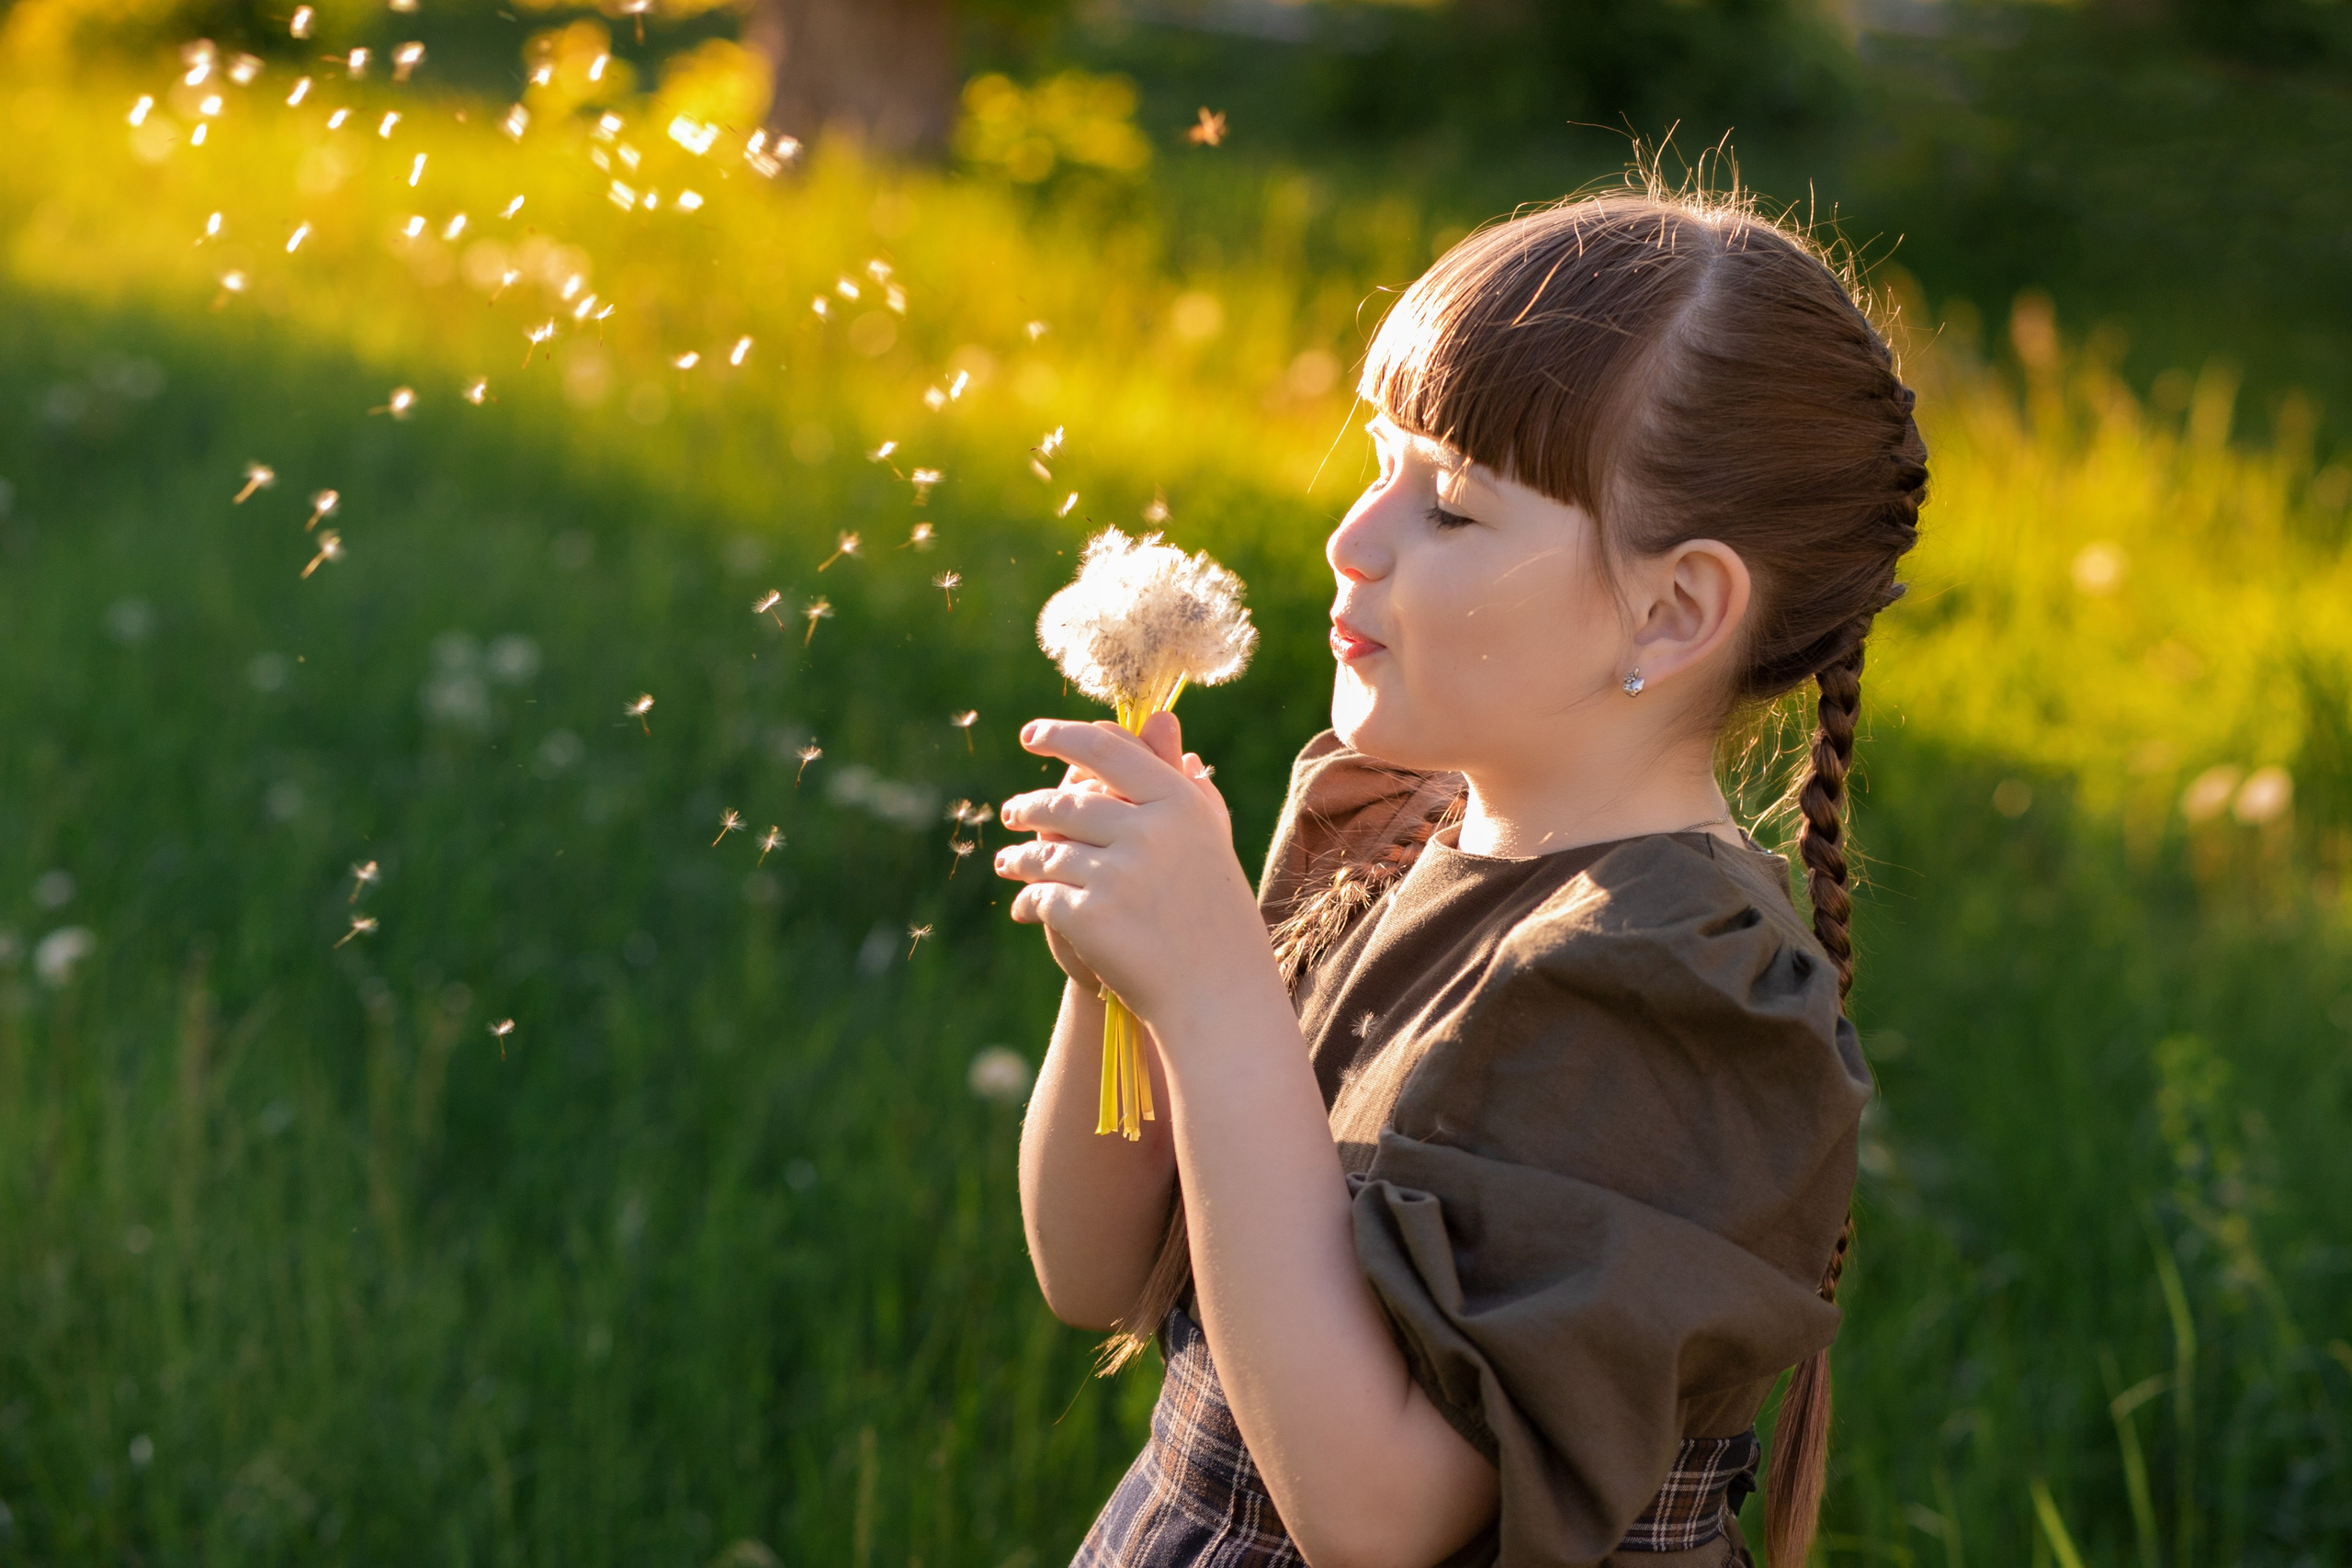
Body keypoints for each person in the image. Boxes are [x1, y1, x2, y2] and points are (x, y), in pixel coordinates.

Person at [991, 183, 1928, 1568]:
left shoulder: (1673, 984)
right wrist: (1125, 977)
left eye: (1446, 506)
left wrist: (1215, 992)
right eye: (1378, 463)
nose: (1351, 538)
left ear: (1671, 612)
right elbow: (1094, 1271)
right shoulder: (1389, 832)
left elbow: (1379, 1520)